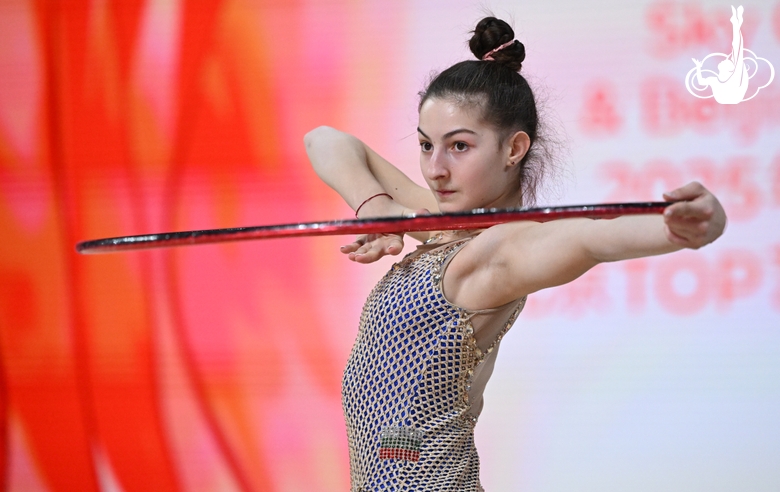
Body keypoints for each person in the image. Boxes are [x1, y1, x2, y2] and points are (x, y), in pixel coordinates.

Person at [305, 17, 727, 492]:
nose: (435, 169)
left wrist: (685, 228)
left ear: (514, 148)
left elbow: (587, 239)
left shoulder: (501, 251)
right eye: (426, 145)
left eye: (459, 146)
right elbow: (324, 140)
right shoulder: (440, 223)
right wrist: (377, 209)